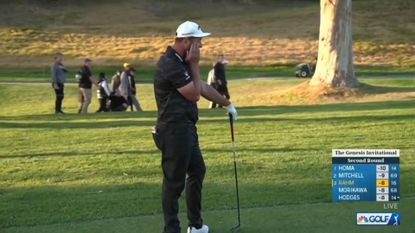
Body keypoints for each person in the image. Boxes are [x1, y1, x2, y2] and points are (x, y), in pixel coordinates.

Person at [153, 21, 237, 233]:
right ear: (187, 41)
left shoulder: (181, 61)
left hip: (186, 128)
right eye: (199, 41)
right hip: (173, 129)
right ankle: (172, 229)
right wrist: (195, 64)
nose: (202, 45)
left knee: (197, 170)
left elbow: (201, 86)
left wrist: (227, 104)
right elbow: (194, 94)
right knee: (174, 183)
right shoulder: (170, 63)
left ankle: (196, 226)